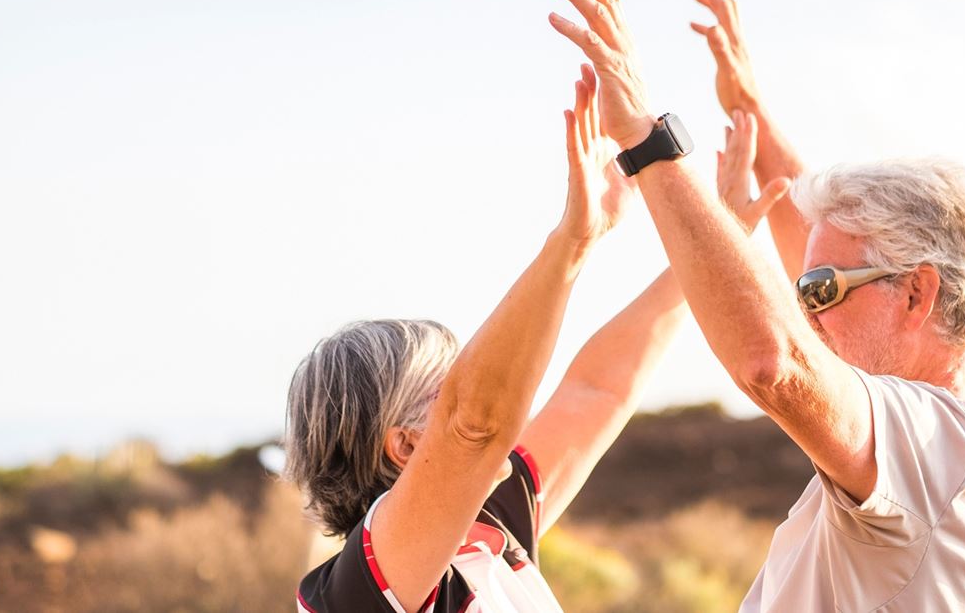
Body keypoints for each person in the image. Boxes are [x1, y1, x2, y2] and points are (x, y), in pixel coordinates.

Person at [549, 0, 965, 612]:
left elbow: (776, 360)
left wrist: (645, 141)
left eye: (820, 292)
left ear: (916, 295)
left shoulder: (929, 442)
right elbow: (820, 261)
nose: (805, 309)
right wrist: (750, 111)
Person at [285, 66, 788, 612]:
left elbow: (598, 389)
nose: (485, 388)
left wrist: (715, 237)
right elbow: (475, 424)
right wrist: (570, 241)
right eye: (453, 385)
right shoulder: (357, 588)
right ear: (406, 446)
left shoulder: (491, 519)